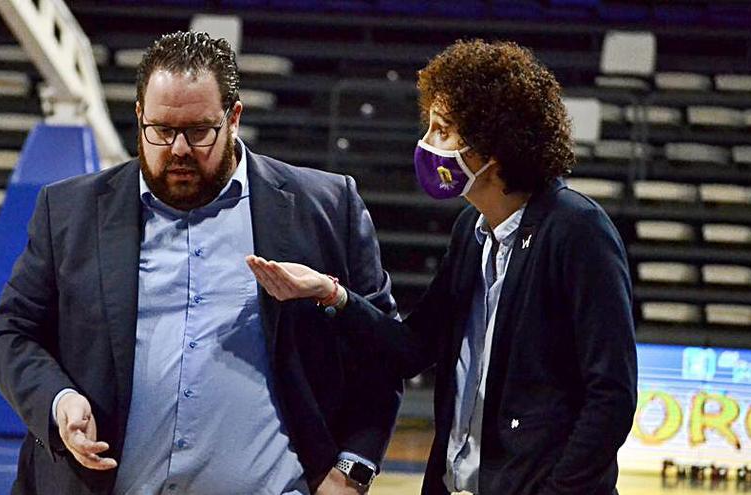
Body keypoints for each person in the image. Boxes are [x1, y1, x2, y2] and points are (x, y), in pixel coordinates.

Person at [0, 31, 401, 495]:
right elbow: (11, 333)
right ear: (139, 115)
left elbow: (383, 350)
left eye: (199, 131)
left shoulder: (325, 206)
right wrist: (58, 400)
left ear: (234, 118)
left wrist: (354, 467)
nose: (178, 148)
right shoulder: (68, 212)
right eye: (161, 130)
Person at [248, 39, 638, 495]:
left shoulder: (578, 230)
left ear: (491, 151)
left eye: (442, 130)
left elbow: (611, 396)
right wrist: (330, 294)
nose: (427, 144)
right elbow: (413, 349)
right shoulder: (470, 230)